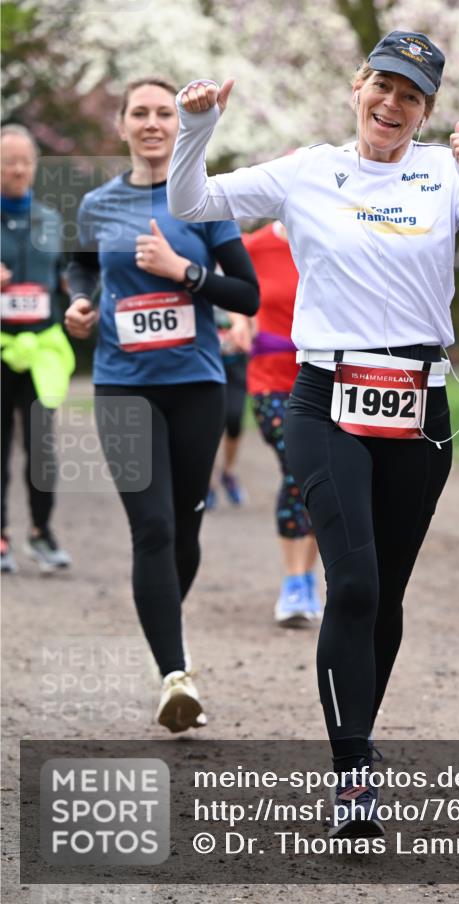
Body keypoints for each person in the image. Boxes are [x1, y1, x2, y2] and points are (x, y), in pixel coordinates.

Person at [167, 30, 459, 834]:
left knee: (385, 595)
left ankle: (357, 743)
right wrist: (195, 130)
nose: (392, 105)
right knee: (355, 584)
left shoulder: (443, 171)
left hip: (419, 404)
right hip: (325, 395)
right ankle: (355, 776)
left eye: (411, 96)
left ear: (426, 111)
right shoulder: (307, 170)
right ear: (357, 87)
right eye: (382, 87)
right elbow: (190, 204)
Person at [64, 77, 259, 733]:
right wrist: (82, 304)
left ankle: (163, 633)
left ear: (181, 126)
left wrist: (184, 272)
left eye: (164, 113)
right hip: (123, 384)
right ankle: (174, 674)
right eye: (139, 113)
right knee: (150, 528)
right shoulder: (96, 204)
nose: (152, 123)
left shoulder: (205, 202)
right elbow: (82, 268)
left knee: (183, 528)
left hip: (196, 386)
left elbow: (247, 295)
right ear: (120, 125)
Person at [232, 219, 321, 627]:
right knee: (297, 466)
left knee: (323, 476)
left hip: (323, 375)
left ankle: (307, 580)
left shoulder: (332, 234)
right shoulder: (255, 245)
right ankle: (291, 582)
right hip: (269, 378)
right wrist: (238, 320)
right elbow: (234, 287)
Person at [1, 124, 75, 574]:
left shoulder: (50, 219)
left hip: (43, 349)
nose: (17, 169)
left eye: (25, 161)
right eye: (9, 161)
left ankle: (41, 532)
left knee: (42, 448)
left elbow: (69, 276)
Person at [205, 306, 249, 510]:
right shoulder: (195, 276)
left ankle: (228, 473)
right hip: (206, 366)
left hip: (235, 366)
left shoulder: (239, 276)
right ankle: (209, 483)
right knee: (210, 424)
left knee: (234, 419)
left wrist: (246, 332)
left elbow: (254, 318)